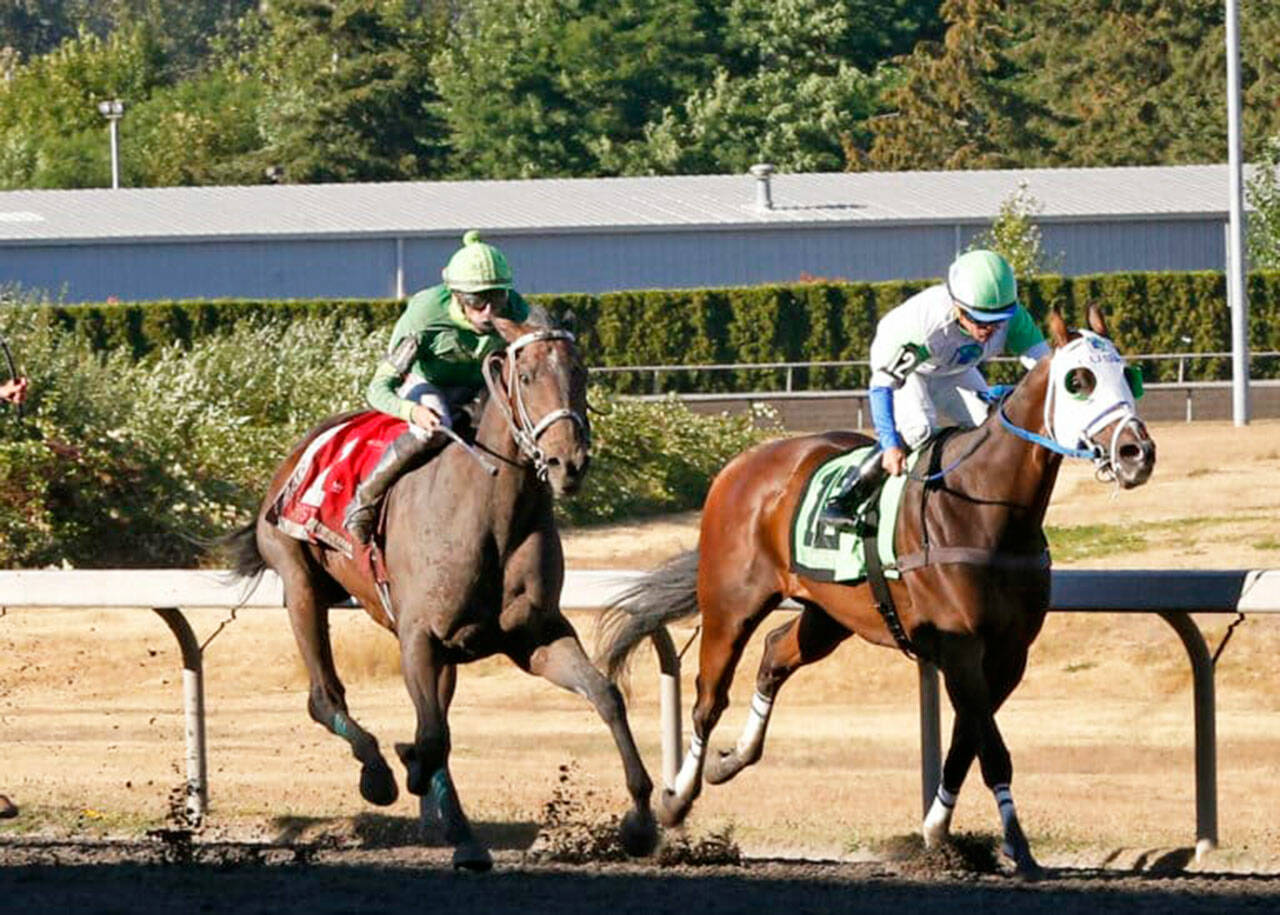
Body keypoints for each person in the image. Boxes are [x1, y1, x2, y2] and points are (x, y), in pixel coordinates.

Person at [820, 249, 1050, 528]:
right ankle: (846, 497)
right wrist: (891, 444)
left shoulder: (1015, 319)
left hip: (951, 367)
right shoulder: (925, 327)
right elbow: (881, 389)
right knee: (919, 428)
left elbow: (1047, 370)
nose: (989, 329)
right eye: (979, 320)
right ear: (957, 306)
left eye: (998, 320)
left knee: (988, 424)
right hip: (913, 368)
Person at [343, 230, 531, 544]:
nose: (489, 312)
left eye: (497, 297)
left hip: (481, 387)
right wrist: (412, 411)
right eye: (477, 300)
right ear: (456, 294)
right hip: (428, 384)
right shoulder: (424, 315)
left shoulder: (515, 308)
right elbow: (378, 389)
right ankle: (364, 501)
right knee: (435, 427)